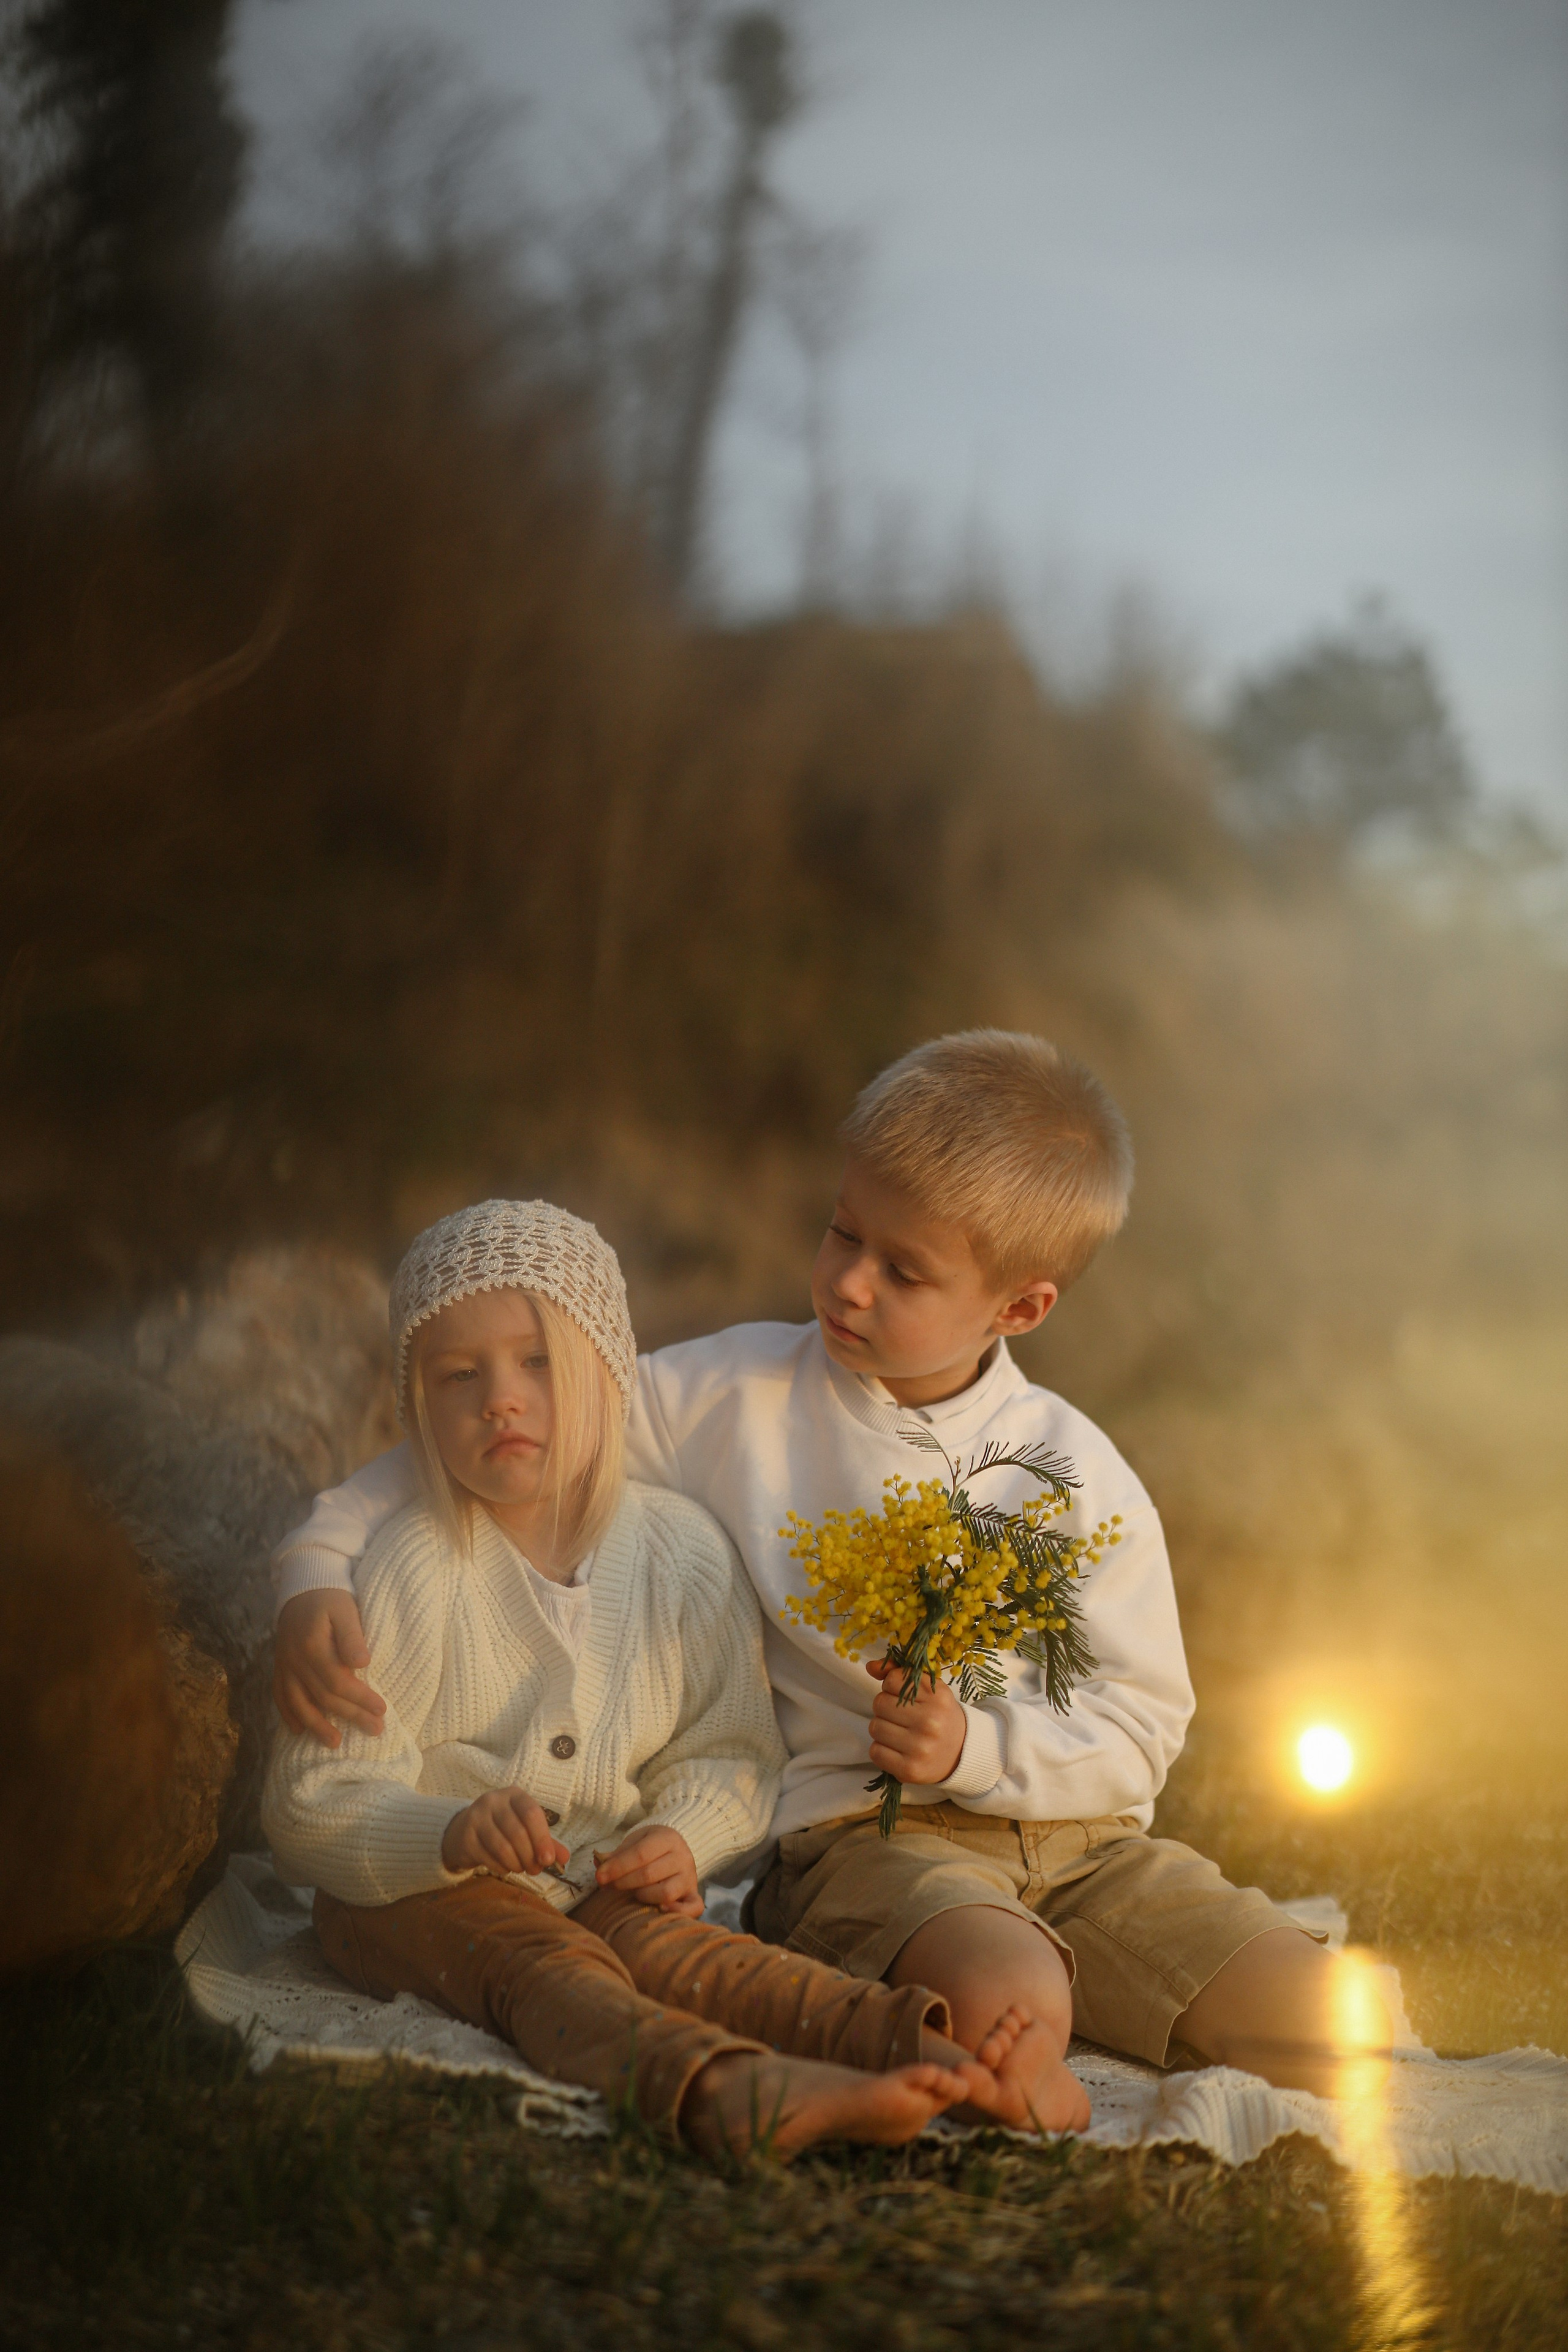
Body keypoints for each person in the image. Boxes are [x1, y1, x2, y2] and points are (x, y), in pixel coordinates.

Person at [272, 1033, 1390, 2117]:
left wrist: (977, 1750)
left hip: (1087, 1844)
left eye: (902, 1270)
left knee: (1328, 2021)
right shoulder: (731, 1394)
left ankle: (1082, 1983)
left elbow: (1144, 1723)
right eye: (842, 1231)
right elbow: (513, 1438)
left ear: (1020, 1307)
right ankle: (1023, 2015)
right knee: (1012, 1993)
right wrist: (319, 1565)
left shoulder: (1077, 1477)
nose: (848, 1283)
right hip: (866, 1843)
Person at [262, 1197, 1008, 2162]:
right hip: (410, 1899)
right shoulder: (408, 1566)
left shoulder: (682, 1555)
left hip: (598, 1867)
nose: (500, 1397)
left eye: (537, 1361)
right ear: (417, 1411)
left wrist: (677, 1836)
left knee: (693, 1954)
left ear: (609, 1373)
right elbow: (310, 1800)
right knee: (549, 1967)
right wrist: (445, 1830)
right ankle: (721, 2086)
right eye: (458, 1375)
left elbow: (731, 1751)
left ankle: (930, 2050)